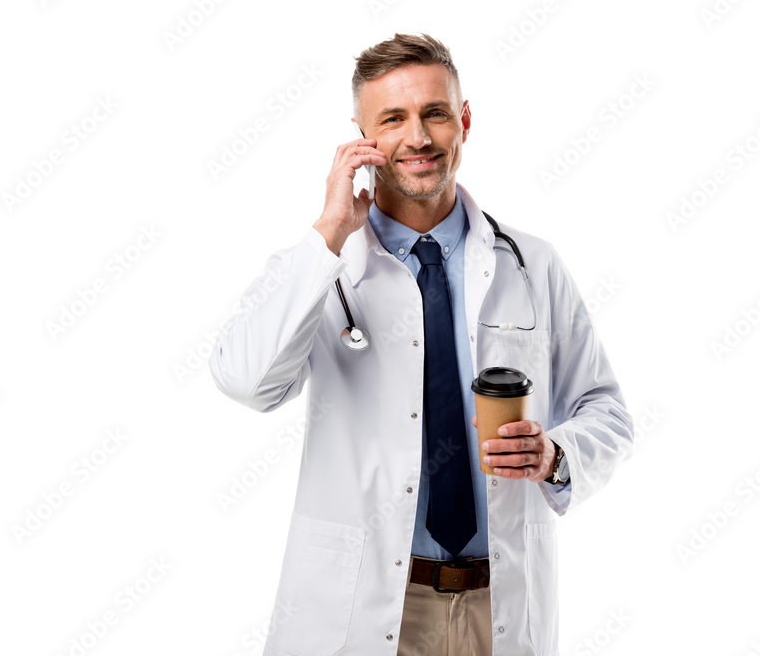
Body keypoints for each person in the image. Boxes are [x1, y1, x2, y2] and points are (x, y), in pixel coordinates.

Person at [209, 33, 634, 656]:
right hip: (365, 605)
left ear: (464, 121)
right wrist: (329, 231)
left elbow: (606, 410)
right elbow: (246, 381)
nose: (418, 138)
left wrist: (555, 454)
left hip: (500, 602)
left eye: (435, 113)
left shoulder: (531, 265)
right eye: (392, 119)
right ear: (361, 137)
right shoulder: (322, 267)